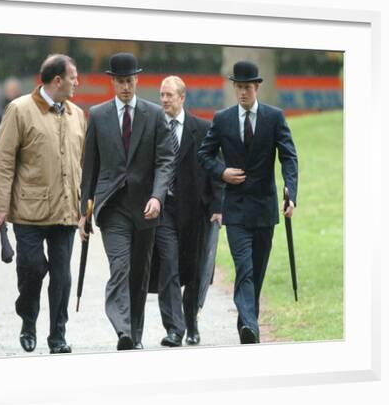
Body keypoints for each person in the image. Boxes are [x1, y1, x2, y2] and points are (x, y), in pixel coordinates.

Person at [0, 54, 86, 354]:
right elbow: (3, 159)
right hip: (28, 212)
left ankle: (57, 336)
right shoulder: (19, 110)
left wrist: (85, 208)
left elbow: (83, 163)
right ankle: (28, 321)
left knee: (63, 277)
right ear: (57, 80)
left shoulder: (77, 115)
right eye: (73, 77)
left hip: (66, 212)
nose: (77, 82)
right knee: (32, 270)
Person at [79, 53, 175, 350]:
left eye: (129, 81)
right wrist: (84, 211)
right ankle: (122, 329)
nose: (125, 87)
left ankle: (134, 332)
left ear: (137, 80)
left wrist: (158, 197)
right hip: (112, 208)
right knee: (120, 267)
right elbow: (90, 167)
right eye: (120, 81)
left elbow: (165, 161)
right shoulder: (97, 115)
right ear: (113, 82)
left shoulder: (154, 114)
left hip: (145, 207)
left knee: (139, 274)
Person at [197, 61, 298, 344]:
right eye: (238, 87)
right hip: (236, 209)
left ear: (256, 87)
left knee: (257, 268)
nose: (242, 92)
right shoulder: (222, 119)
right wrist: (222, 172)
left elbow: (289, 156)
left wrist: (292, 191)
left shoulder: (274, 118)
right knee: (244, 267)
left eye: (247, 87)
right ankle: (251, 327)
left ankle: (246, 322)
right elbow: (204, 154)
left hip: (265, 209)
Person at [149, 76, 224, 347]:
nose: (165, 100)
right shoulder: (154, 126)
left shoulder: (202, 129)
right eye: (162, 95)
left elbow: (216, 169)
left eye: (169, 95)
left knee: (193, 270)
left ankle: (191, 321)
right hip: (164, 208)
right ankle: (174, 328)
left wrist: (217, 206)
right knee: (168, 266)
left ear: (182, 98)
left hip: (195, 210)